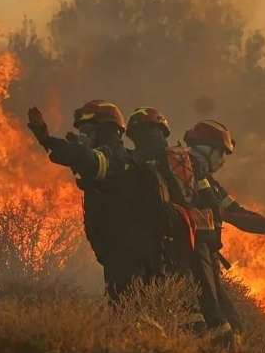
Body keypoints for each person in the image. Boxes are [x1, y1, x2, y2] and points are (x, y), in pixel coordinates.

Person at [183, 119, 265, 347]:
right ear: (206, 149)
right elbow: (230, 216)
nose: (222, 162)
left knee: (233, 326)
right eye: (220, 154)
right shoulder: (192, 179)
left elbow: (241, 214)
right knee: (217, 329)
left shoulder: (210, 185)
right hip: (192, 262)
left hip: (206, 261)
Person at [23, 99, 163, 305]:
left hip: (128, 252)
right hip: (126, 251)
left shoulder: (114, 158)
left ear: (107, 129)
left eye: (88, 130)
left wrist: (49, 140)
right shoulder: (121, 157)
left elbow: (90, 160)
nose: (83, 135)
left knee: (126, 308)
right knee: (135, 307)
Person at [125, 107, 235, 349]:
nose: (221, 162)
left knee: (194, 309)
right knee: (208, 310)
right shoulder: (183, 163)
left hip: (168, 248)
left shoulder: (133, 163)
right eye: (220, 154)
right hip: (191, 247)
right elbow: (213, 207)